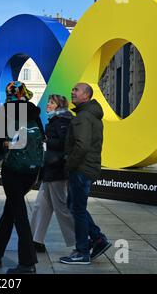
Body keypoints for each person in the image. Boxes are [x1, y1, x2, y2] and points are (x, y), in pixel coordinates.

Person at [0, 81, 44, 274]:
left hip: (13, 170)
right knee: (11, 210)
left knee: (19, 215)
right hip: (32, 171)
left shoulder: (5, 112)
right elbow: (42, 137)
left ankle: (27, 263)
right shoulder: (34, 112)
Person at [59, 83, 111, 265]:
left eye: (76, 90)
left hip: (81, 168)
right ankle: (98, 239)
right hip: (86, 167)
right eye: (72, 89)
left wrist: (69, 165)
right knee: (73, 205)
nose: (72, 92)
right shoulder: (90, 115)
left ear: (86, 96)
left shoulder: (83, 116)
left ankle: (82, 252)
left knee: (77, 209)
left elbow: (81, 146)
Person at [30, 95, 76, 253]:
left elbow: (65, 144)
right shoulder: (55, 120)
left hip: (57, 169)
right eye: (49, 102)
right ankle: (35, 240)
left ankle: (80, 241)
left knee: (61, 207)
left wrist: (46, 140)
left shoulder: (62, 121)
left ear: (59, 106)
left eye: (51, 103)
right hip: (50, 169)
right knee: (40, 206)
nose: (48, 105)